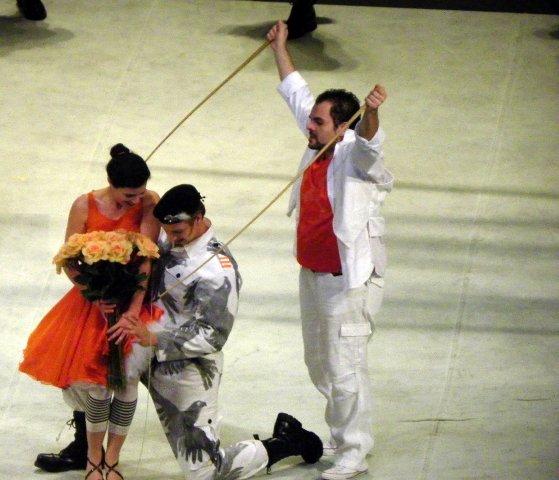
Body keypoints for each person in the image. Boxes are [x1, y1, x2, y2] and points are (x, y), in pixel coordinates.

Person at [108, 184, 323, 479]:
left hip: (185, 368)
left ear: (198, 218)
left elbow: (213, 333)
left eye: (177, 232)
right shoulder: (170, 232)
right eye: (167, 231)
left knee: (205, 472)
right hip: (141, 347)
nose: (170, 238)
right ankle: (86, 449)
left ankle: (285, 442)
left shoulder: (217, 270)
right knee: (89, 380)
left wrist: (155, 339)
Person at [266, 21, 394, 480]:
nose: (309, 124)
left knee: (345, 366)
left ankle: (355, 450)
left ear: (343, 127)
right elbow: (295, 92)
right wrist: (280, 46)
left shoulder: (354, 156)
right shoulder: (318, 139)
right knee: (319, 364)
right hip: (313, 275)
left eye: (319, 122)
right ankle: (344, 435)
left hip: (348, 283)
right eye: (313, 119)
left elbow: (370, 143)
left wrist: (371, 113)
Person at [19, 144, 161, 479]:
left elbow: (146, 260)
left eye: (140, 193)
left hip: (132, 300)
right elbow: (68, 257)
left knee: (124, 382)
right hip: (93, 302)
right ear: (111, 185)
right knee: (90, 377)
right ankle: (86, 450)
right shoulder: (84, 204)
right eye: (129, 195)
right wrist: (94, 296)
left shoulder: (148, 202)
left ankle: (109, 457)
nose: (135, 201)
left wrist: (133, 312)